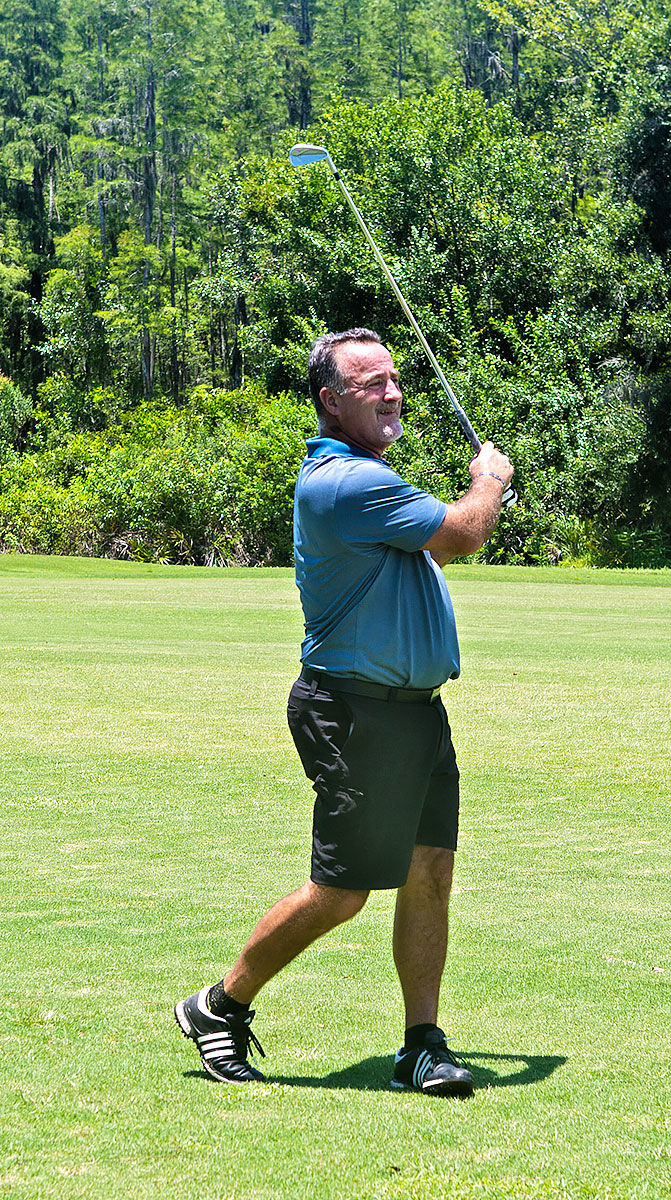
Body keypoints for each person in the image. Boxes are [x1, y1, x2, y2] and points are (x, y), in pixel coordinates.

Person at [175, 328, 514, 1096]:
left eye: (394, 379)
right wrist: (489, 480)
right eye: (371, 384)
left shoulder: (371, 481)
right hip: (354, 713)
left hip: (415, 713)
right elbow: (463, 533)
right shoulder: (345, 483)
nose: (392, 393)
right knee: (342, 892)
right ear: (331, 400)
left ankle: (422, 1046)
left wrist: (475, 499)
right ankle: (218, 1005)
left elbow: (431, 544)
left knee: (429, 870)